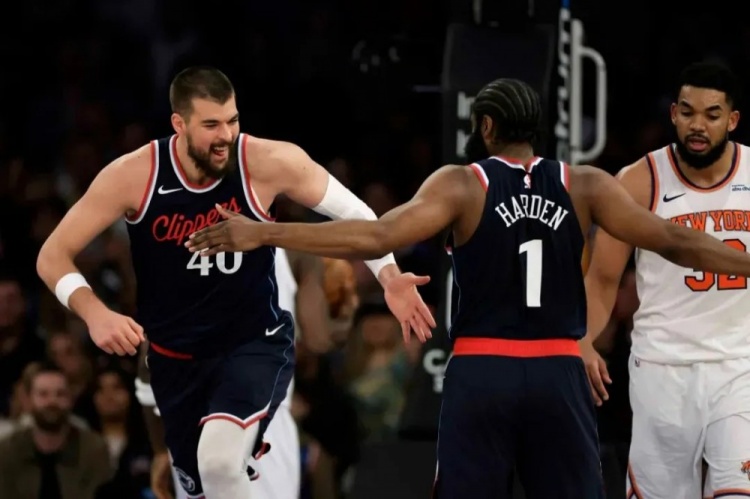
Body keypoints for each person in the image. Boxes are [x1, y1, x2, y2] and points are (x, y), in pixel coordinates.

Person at [186, 77, 750, 499]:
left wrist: (263, 231)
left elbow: (375, 235)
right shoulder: (585, 184)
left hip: (484, 370)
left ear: (484, 127)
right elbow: (676, 240)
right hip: (558, 370)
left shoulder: (462, 184)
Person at [36, 66, 435, 499]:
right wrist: (94, 312)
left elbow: (358, 215)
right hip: (176, 359)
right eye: (211, 124)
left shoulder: (266, 161)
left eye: (232, 120)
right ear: (179, 123)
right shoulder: (134, 175)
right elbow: (52, 255)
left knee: (220, 464)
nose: (225, 135)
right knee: (202, 485)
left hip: (252, 344)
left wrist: (389, 276)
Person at [582, 61, 750, 499]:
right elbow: (602, 279)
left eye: (712, 115)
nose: (698, 125)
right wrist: (581, 339)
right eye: (688, 112)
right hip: (662, 368)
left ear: (732, 120)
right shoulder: (638, 181)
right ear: (674, 113)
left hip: (740, 365)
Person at [137, 247, 331, 499]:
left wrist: (160, 449)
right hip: (262, 425)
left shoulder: (168, 246)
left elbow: (149, 362)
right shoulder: (295, 249)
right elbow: (318, 341)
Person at [0, 362, 112, 499]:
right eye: (43, 394)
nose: (52, 401)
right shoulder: (7, 451)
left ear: (71, 399)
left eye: (60, 394)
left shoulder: (93, 449)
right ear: (28, 400)